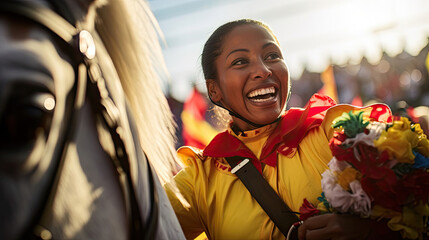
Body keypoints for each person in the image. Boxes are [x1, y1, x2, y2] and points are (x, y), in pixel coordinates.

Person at [164, 19, 401, 239]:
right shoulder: (199, 179)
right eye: (240, 61)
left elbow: (416, 194)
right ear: (214, 90)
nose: (263, 70)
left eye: (272, 56)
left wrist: (372, 230)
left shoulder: (333, 130)